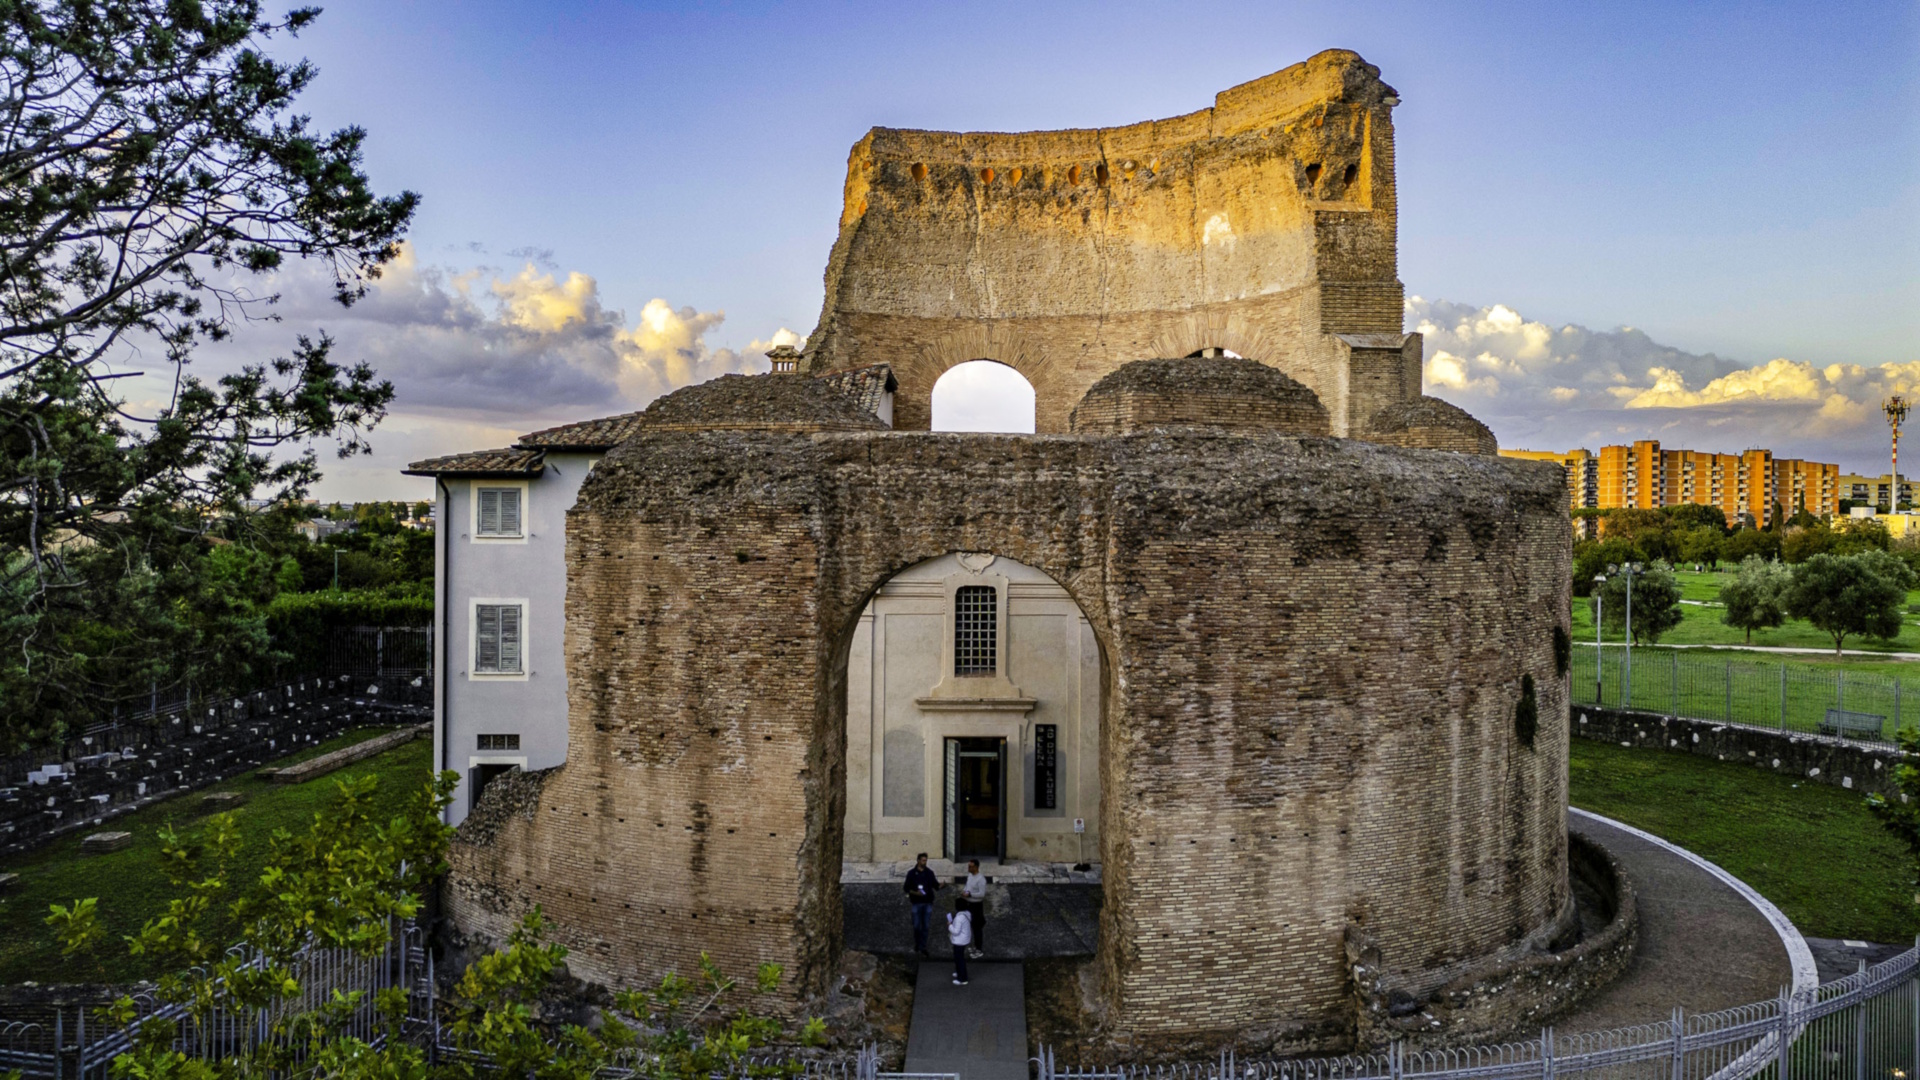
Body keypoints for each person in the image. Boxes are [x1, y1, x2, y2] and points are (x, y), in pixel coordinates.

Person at [904, 852, 941, 956]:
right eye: (923, 860)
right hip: (916, 903)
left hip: (927, 902)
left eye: (926, 860)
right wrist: (916, 893)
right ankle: (917, 943)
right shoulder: (911, 873)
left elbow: (935, 886)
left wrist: (942, 885)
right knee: (916, 926)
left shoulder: (929, 873)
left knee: (925, 926)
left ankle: (923, 946)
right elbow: (906, 888)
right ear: (918, 861)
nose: (925, 862)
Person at [961, 859, 987, 959]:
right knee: (971, 926)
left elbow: (982, 894)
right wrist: (964, 891)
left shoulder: (981, 879)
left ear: (976, 867)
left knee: (977, 928)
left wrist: (970, 894)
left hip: (977, 906)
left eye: (971, 866)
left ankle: (979, 949)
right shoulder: (970, 875)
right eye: (968, 866)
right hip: (969, 905)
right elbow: (967, 885)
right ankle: (975, 946)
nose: (969, 868)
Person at [946, 898, 973, 985]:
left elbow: (956, 932)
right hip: (965, 939)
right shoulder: (967, 913)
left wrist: (949, 925)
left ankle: (962, 979)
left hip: (959, 941)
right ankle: (959, 972)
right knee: (959, 957)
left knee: (959, 959)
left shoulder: (959, 917)